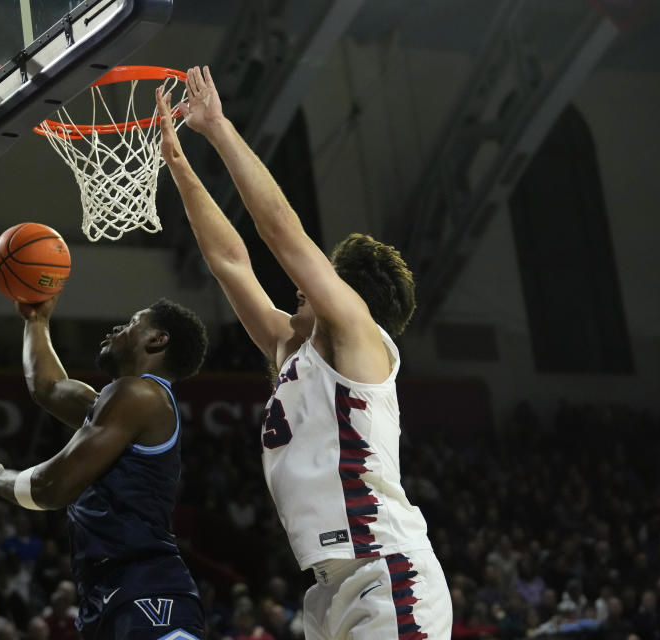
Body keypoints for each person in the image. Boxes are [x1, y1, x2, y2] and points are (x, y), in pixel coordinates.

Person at [156, 67, 451, 638]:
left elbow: (281, 232)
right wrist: (179, 165)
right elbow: (231, 263)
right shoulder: (291, 347)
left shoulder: (359, 340)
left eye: (319, 282)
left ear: (347, 297)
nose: (298, 288)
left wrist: (217, 129)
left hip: (389, 574)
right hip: (328, 587)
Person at [0, 294, 209, 640]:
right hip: (106, 591)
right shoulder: (117, 404)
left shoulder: (138, 396)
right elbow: (48, 387)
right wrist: (36, 321)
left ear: (157, 340)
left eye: (133, 322)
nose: (119, 327)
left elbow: (52, 487)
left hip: (147, 589)